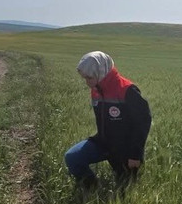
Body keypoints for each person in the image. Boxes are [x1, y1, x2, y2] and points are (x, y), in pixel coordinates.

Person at [64, 51, 152, 187]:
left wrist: (135, 154)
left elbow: (143, 122)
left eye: (89, 78)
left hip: (125, 149)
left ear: (101, 72)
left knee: (126, 186)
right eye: (85, 78)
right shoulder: (96, 89)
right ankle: (92, 188)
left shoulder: (127, 90)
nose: (87, 82)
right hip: (103, 142)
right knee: (73, 157)